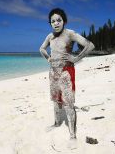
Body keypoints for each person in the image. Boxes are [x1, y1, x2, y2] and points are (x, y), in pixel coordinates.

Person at [39, 8, 95, 141]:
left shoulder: (70, 34)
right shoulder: (50, 36)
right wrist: (48, 58)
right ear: (50, 23)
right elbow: (41, 48)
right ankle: (57, 123)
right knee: (56, 101)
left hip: (66, 72)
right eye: (53, 21)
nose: (56, 23)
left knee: (69, 104)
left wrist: (76, 58)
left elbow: (90, 45)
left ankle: (73, 135)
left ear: (64, 21)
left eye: (59, 20)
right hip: (53, 73)